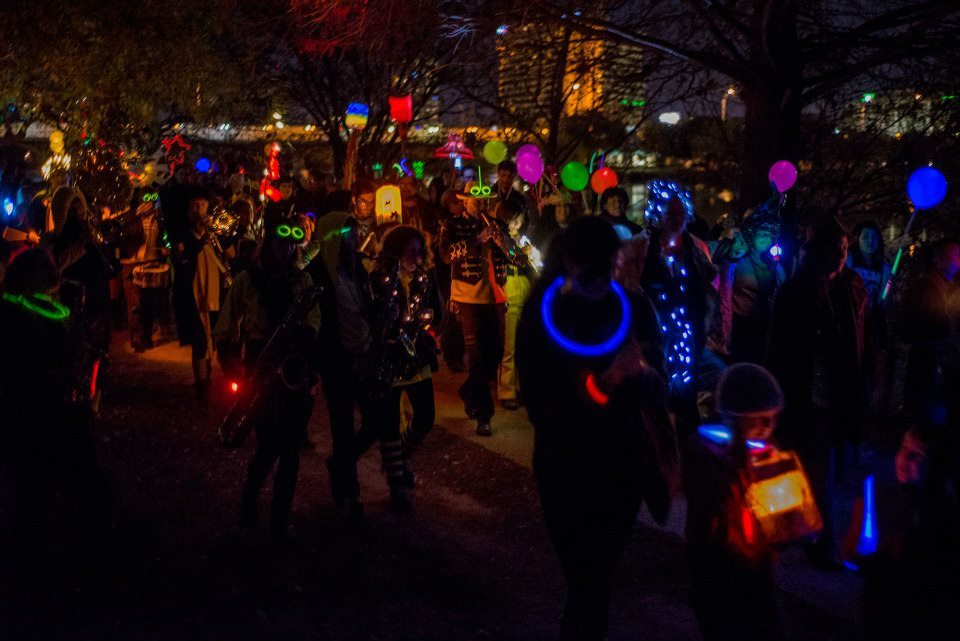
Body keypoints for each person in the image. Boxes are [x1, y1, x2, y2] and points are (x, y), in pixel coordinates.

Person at [516, 217, 676, 641]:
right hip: (565, 469)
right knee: (587, 580)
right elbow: (542, 404)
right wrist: (606, 383)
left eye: (611, 265)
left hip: (618, 468)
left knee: (593, 579)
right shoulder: (541, 316)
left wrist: (642, 375)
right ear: (569, 260)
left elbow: (660, 386)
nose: (605, 277)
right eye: (595, 266)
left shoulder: (634, 308)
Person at [0, 248, 111, 588]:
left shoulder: (56, 308)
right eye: (48, 268)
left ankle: (82, 567)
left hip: (63, 413)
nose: (57, 274)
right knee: (36, 498)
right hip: (31, 414)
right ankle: (35, 576)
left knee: (80, 492)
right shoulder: (10, 310)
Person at [768, 219, 870, 567]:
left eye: (845, 250)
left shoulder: (846, 290)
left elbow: (855, 343)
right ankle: (818, 544)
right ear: (818, 251)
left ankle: (801, 535)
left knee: (825, 471)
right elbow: (779, 349)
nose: (841, 256)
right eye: (835, 249)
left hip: (835, 397)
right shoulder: (795, 293)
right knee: (813, 470)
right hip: (802, 396)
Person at [215, 215, 321, 539]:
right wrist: (230, 360)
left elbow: (314, 323)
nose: (286, 248)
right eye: (280, 240)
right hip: (260, 364)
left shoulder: (301, 281)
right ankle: (249, 505)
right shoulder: (248, 279)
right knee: (268, 444)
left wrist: (306, 345)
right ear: (268, 242)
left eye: (292, 241)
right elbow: (226, 324)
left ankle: (279, 518)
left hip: (292, 366)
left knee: (290, 448)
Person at [683, 364, 791, 641]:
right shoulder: (703, 452)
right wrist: (743, 460)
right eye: (760, 419)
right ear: (733, 418)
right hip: (716, 573)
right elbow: (716, 504)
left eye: (773, 418)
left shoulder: (767, 453)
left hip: (759, 572)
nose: (769, 427)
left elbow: (781, 516)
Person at [842, 424, 960, 639]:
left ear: (939, 467)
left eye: (917, 455)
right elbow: (850, 553)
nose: (905, 458)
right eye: (903, 448)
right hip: (880, 612)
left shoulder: (946, 516)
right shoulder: (878, 499)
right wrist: (864, 549)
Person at [302, 210, 380, 523]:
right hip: (337, 363)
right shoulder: (316, 275)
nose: (356, 237)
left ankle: (340, 464)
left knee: (374, 422)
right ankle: (350, 492)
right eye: (348, 233)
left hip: (363, 356)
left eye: (355, 231)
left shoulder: (356, 268)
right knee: (344, 429)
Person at [439, 181, 521, 436]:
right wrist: (477, 240)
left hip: (495, 298)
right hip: (467, 298)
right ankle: (484, 416)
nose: (481, 205)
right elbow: (445, 255)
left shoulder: (495, 224)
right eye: (476, 201)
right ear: (464, 201)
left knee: (495, 354)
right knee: (476, 358)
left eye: (485, 201)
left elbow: (515, 257)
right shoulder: (451, 225)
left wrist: (504, 242)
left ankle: (468, 391)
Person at [368, 225, 440, 510]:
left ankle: (402, 456)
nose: (417, 255)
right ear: (396, 251)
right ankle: (396, 483)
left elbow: (436, 310)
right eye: (411, 250)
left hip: (417, 355)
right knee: (387, 425)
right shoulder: (379, 279)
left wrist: (430, 317)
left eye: (419, 250)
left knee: (426, 416)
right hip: (389, 357)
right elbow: (373, 317)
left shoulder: (425, 276)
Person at [641, 181, 719, 437]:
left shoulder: (694, 247)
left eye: (680, 212)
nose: (676, 218)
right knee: (659, 382)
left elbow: (707, 282)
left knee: (687, 383)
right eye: (670, 213)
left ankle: (687, 439)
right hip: (658, 328)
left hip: (690, 330)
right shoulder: (645, 245)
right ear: (659, 214)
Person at [172, 189, 226, 399]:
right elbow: (181, 256)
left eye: (203, 205)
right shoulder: (181, 230)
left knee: (211, 336)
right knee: (199, 339)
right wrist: (200, 240)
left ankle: (206, 372)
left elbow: (228, 253)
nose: (199, 210)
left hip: (213, 290)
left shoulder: (213, 228)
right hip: (192, 290)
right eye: (195, 206)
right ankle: (201, 383)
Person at [901, 240, 960, 429]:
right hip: (928, 372)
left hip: (934, 370)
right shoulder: (926, 289)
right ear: (938, 259)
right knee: (927, 428)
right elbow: (910, 331)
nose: (959, 259)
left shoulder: (945, 288)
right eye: (955, 254)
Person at [729, 212, 786, 364]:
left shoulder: (774, 265)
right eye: (761, 234)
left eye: (767, 235)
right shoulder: (739, 260)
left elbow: (783, 290)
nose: (764, 238)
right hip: (739, 324)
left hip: (762, 326)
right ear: (752, 236)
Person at [497, 205, 536, 410]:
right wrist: (522, 253)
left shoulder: (522, 239)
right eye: (513, 220)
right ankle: (506, 390)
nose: (516, 225)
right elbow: (507, 258)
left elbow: (534, 264)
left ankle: (523, 388)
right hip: (508, 288)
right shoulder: (500, 240)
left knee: (524, 344)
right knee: (509, 345)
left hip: (524, 286)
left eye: (519, 220)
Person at [436, 189, 466, 372]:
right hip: (448, 275)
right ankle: (451, 355)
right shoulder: (446, 225)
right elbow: (444, 256)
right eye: (455, 203)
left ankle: (458, 354)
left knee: (460, 317)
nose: (460, 206)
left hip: (461, 275)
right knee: (451, 316)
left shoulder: (464, 223)